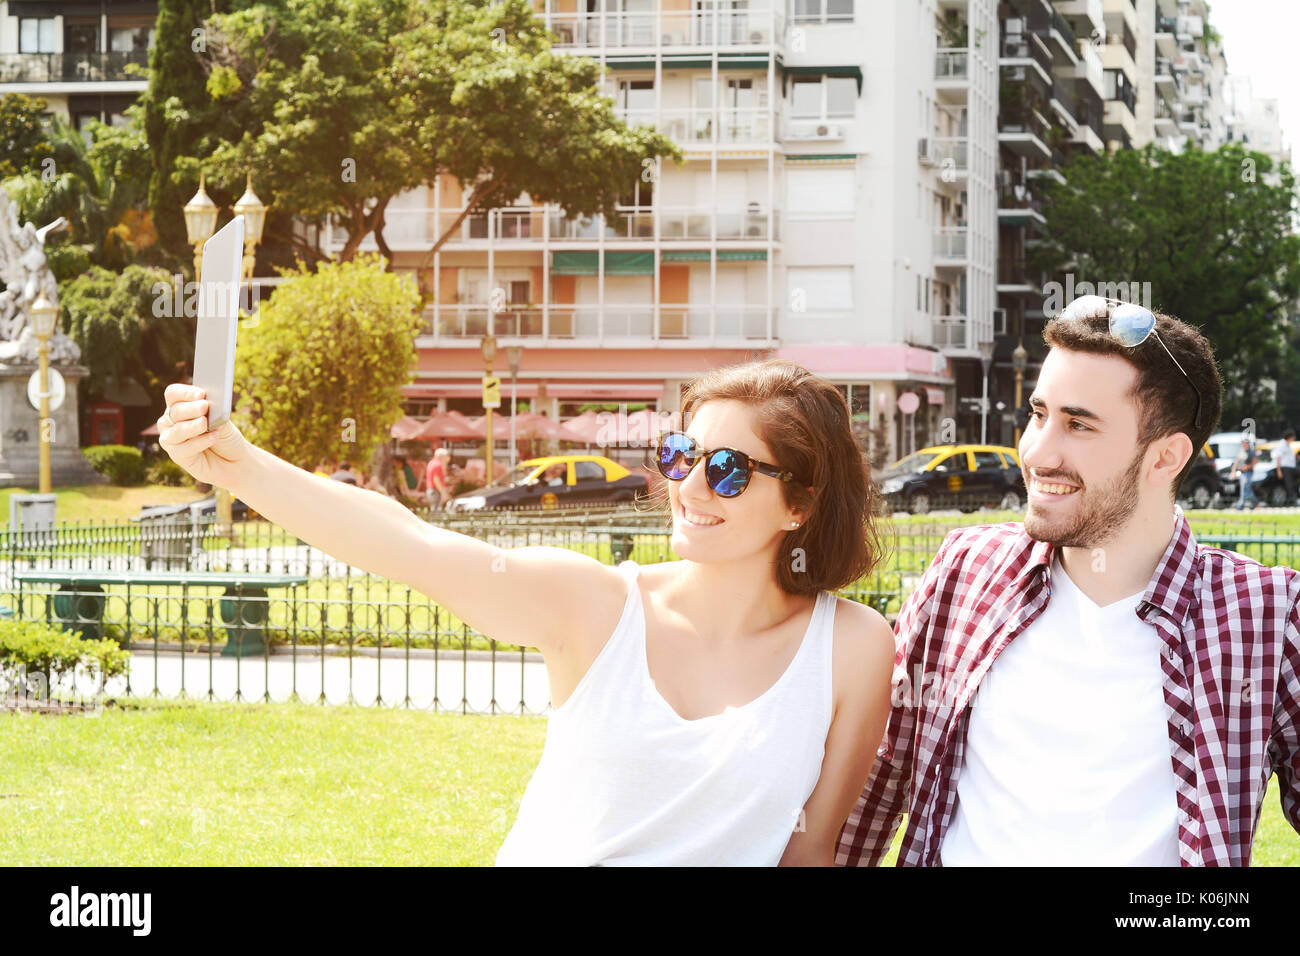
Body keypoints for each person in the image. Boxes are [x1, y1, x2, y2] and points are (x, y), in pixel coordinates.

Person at [155, 359, 895, 865]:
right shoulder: (597, 607)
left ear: (800, 502)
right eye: (680, 455)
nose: (691, 487)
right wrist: (239, 464)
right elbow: (410, 544)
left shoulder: (854, 648)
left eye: (729, 470)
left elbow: (810, 849)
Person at [837, 295, 1300, 867]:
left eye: (1078, 424)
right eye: (1038, 414)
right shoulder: (965, 570)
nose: (1036, 451)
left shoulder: (1265, 613)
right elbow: (880, 780)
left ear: (1166, 458)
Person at [1230, 437, 1258, 510]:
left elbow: (1254, 462)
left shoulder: (1251, 452)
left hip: (1248, 472)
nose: (1244, 444)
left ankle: (1240, 505)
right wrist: (1233, 472)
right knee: (1246, 488)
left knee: (1245, 487)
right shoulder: (1241, 451)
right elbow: (1236, 462)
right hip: (1241, 472)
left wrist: (1247, 467)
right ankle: (1255, 502)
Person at [1272, 428, 1297, 505]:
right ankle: (1292, 500)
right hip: (1285, 468)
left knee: (1291, 484)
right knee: (1289, 484)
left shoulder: (1287, 445)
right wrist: (1279, 471)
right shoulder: (1282, 444)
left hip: (1290, 468)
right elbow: (1278, 457)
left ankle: (1292, 499)